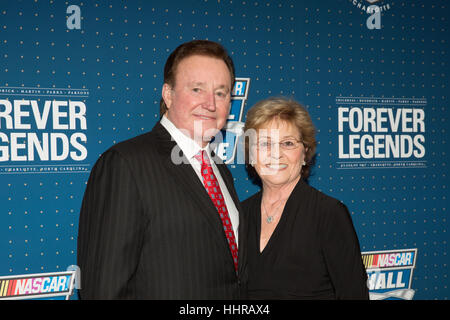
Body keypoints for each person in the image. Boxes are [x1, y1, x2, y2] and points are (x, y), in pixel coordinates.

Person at [77, 40, 247, 299]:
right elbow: (103, 290)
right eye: (197, 89)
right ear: (168, 95)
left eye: (221, 93)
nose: (211, 104)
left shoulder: (220, 169)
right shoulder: (125, 164)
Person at [241, 97, 369, 299]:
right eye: (265, 143)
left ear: (304, 153)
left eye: (288, 143)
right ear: (250, 154)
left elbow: (353, 294)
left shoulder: (328, 213)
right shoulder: (240, 214)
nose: (276, 154)